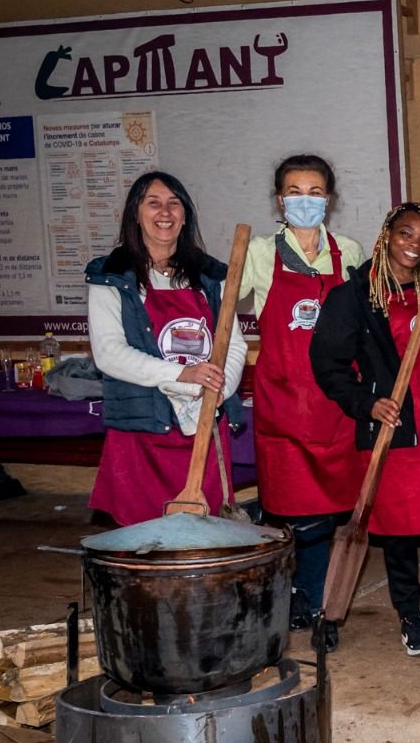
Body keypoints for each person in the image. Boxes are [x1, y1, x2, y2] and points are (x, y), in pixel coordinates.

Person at [311, 203, 420, 656]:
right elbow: (328, 367)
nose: (416, 245)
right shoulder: (354, 296)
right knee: (401, 530)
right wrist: (366, 404)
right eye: (406, 234)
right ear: (386, 235)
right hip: (399, 431)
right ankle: (409, 614)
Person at [240, 154, 365, 648]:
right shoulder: (256, 252)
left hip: (335, 406)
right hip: (283, 405)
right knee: (288, 510)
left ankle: (317, 605)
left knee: (330, 513)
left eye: (315, 192)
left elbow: (364, 326)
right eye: (295, 191)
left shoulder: (349, 252)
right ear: (279, 199)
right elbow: (227, 315)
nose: (305, 200)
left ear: (328, 200)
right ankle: (285, 597)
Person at [86, 171, 248, 526]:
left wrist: (220, 387)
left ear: (185, 215)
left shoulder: (210, 276)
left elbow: (233, 344)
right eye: (153, 202)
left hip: (203, 430)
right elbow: (109, 353)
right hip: (141, 432)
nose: (165, 212)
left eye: (174, 203)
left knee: (206, 545)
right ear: (135, 214)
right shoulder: (111, 276)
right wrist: (182, 373)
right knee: (142, 546)